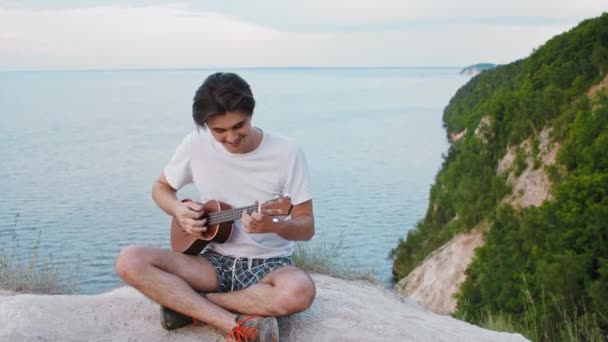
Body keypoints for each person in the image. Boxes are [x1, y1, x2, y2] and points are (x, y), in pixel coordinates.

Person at [115, 72, 316, 342]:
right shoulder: (195, 145)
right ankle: (236, 326)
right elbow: (160, 187)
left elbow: (306, 226)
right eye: (219, 131)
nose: (231, 138)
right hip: (211, 261)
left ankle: (193, 305)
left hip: (269, 265)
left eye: (239, 126)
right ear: (206, 125)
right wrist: (177, 210)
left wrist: (275, 225)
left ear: (251, 113)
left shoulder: (287, 152)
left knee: (299, 291)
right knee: (130, 260)